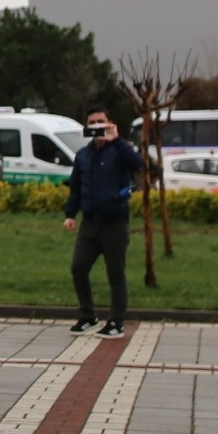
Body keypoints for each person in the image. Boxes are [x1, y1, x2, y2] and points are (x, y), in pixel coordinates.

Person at [64, 105, 142, 338]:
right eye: (92, 123)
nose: (96, 127)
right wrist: (70, 214)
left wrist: (117, 140)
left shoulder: (120, 149)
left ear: (109, 124)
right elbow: (76, 188)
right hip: (90, 223)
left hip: (115, 223)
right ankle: (88, 315)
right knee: (78, 268)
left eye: (101, 122)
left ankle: (116, 322)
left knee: (115, 273)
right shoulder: (83, 155)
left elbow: (138, 165)